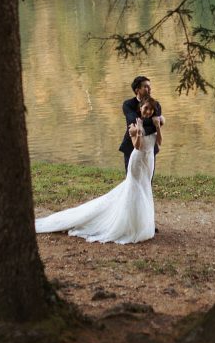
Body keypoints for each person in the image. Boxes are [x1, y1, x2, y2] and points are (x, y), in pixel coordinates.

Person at [35, 96, 161, 244]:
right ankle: (131, 225)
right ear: (140, 109)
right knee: (135, 188)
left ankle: (143, 222)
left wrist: (158, 127)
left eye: (150, 109)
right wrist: (139, 131)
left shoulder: (153, 124)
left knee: (145, 188)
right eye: (145, 108)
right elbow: (137, 146)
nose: (148, 111)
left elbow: (158, 142)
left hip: (149, 161)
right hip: (138, 161)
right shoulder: (133, 125)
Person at [120, 76, 163, 174]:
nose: (149, 89)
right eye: (146, 87)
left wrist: (139, 128)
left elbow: (156, 125)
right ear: (137, 90)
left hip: (150, 149)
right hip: (132, 146)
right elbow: (133, 122)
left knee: (147, 182)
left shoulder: (156, 105)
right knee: (132, 180)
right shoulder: (128, 104)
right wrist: (156, 122)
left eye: (150, 86)